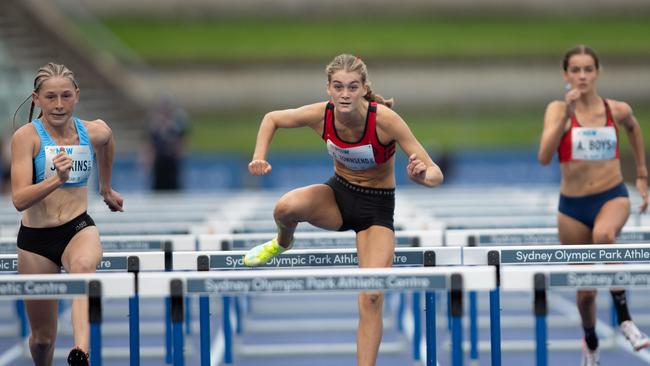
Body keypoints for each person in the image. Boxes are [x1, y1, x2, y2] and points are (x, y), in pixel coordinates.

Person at [242, 54, 443, 365]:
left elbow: (436, 174)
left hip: (376, 209)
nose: (345, 94)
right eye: (338, 87)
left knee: (372, 295)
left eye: (352, 87)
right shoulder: (321, 116)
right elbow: (272, 118)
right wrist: (259, 156)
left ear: (364, 89)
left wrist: (421, 177)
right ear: (329, 90)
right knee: (284, 208)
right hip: (338, 196)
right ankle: (283, 242)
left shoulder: (386, 120)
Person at [538, 45, 649, 365]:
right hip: (571, 207)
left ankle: (626, 320)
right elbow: (544, 157)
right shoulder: (557, 110)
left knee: (604, 237)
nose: (582, 76)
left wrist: (641, 174)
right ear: (566, 75)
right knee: (585, 292)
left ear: (597, 73)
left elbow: (633, 126)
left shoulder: (616, 110)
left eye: (588, 69)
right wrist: (567, 120)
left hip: (610, 195)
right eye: (576, 70)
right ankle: (590, 341)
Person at [10, 62, 124, 366]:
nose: (58, 105)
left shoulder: (93, 131)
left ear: (77, 95)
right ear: (36, 99)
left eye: (65, 96)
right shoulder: (27, 138)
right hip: (35, 240)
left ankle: (81, 352)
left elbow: (108, 139)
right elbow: (19, 200)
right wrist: (55, 180)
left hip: (78, 227)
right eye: (50, 97)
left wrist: (106, 189)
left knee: (84, 267)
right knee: (43, 337)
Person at [145, 94, 189, 191]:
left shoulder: (177, 122)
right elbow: (150, 143)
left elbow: (182, 140)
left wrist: (180, 153)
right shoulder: (154, 123)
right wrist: (148, 160)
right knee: (158, 187)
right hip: (159, 160)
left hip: (172, 159)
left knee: (173, 186)